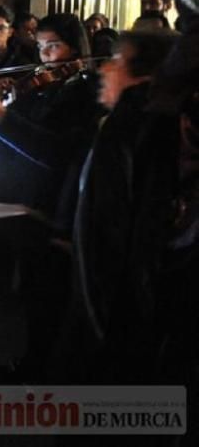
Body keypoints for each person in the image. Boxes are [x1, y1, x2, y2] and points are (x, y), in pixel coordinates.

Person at [0, 13, 104, 383]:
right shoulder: (41, 88)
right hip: (28, 201)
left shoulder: (87, 95)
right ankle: (36, 362)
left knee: (50, 297)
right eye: (40, 47)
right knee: (34, 293)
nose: (45, 58)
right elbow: (13, 130)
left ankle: (43, 369)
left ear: (76, 49)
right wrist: (3, 101)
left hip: (56, 207)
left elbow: (53, 151)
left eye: (54, 46)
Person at [59, 31, 180, 385]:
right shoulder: (132, 124)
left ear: (144, 75)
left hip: (114, 318)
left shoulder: (131, 129)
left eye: (116, 61)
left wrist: (97, 323)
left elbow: (116, 232)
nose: (106, 70)